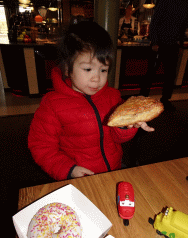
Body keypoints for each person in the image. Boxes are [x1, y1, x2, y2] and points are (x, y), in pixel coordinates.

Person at [28, 21, 154, 181]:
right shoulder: (52, 104)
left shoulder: (113, 97)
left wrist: (127, 125)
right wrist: (67, 169)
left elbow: (118, 138)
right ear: (67, 68)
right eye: (88, 69)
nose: (97, 78)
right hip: (79, 176)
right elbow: (40, 145)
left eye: (103, 70)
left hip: (114, 168)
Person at [140, 0, 188, 109]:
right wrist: (154, 42)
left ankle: (165, 99)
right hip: (160, 44)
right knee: (151, 73)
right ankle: (142, 98)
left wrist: (181, 44)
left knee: (170, 74)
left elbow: (183, 25)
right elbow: (154, 22)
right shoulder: (165, 1)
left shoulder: (184, 4)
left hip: (173, 45)